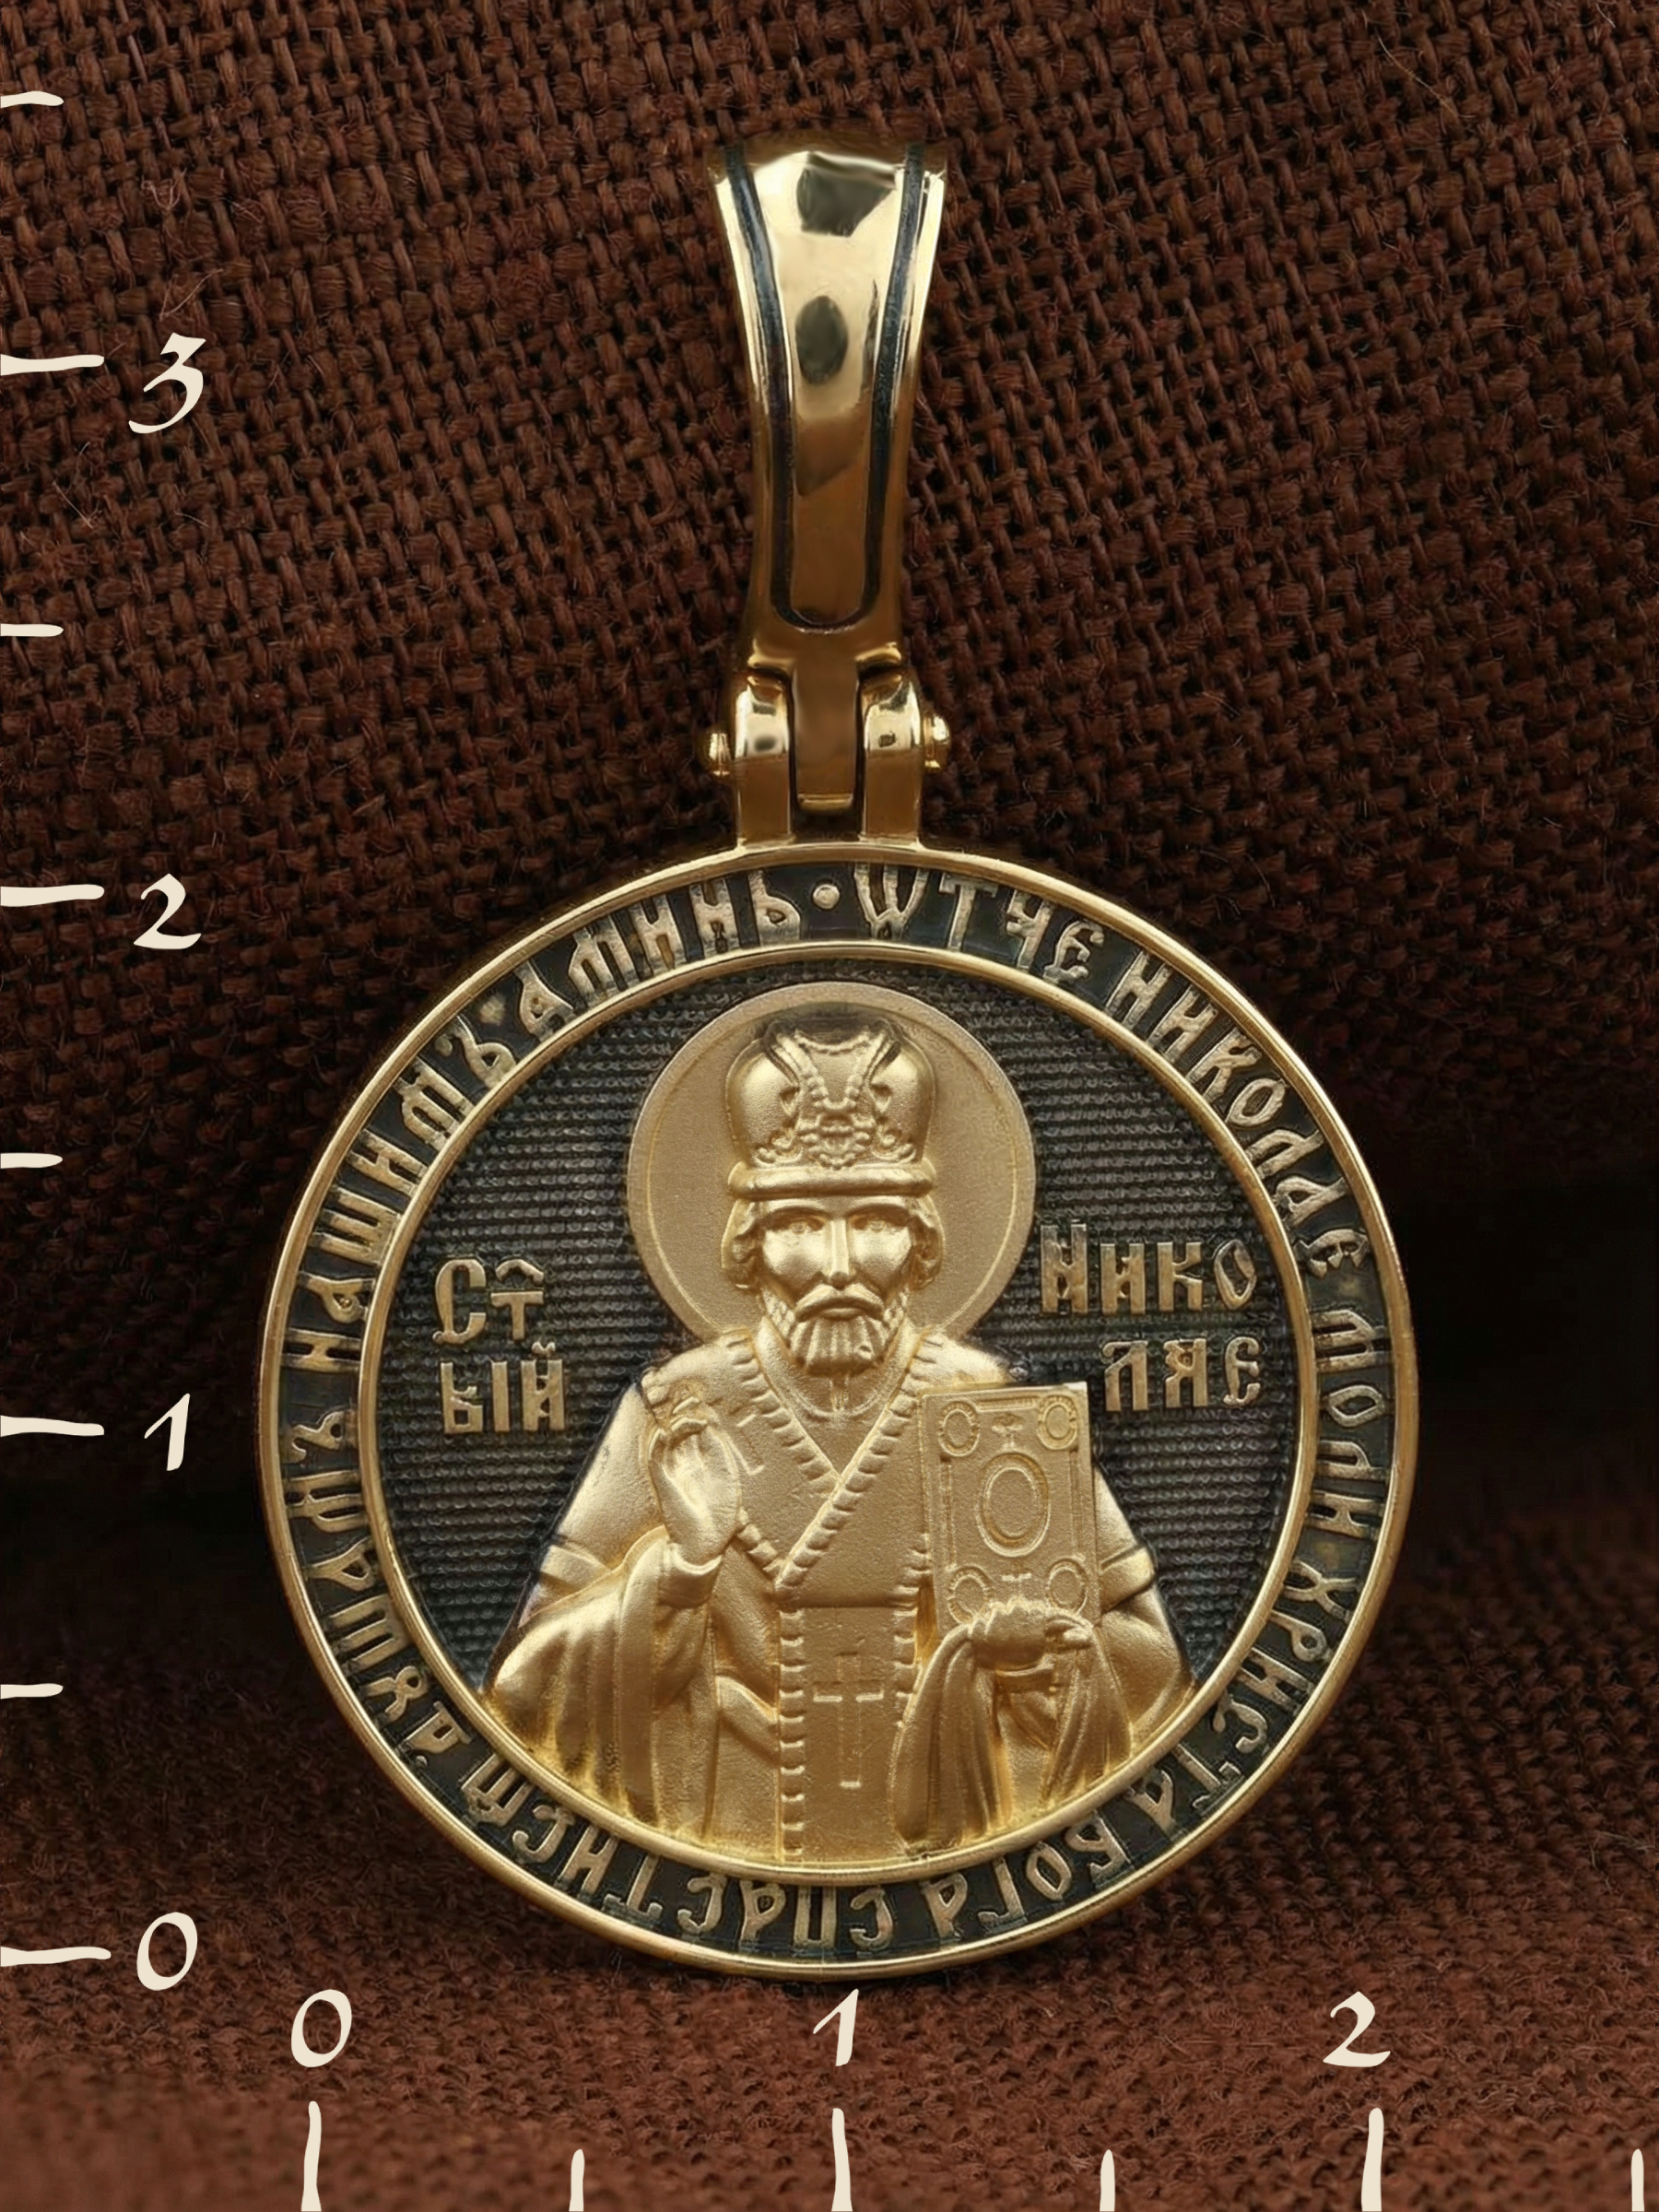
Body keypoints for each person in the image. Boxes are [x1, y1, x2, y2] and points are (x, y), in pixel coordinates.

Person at [486, 1006, 1190, 1865]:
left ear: (922, 1241)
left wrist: (1040, 1660)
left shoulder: (994, 1408)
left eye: (876, 1222)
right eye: (798, 1226)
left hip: (957, 1821)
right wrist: (684, 1570)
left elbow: (1151, 1670)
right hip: (730, 1837)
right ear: (747, 1245)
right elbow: (529, 1686)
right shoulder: (678, 1406)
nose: (840, 1265)